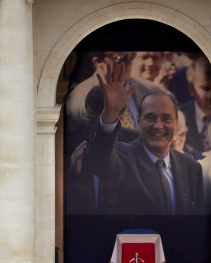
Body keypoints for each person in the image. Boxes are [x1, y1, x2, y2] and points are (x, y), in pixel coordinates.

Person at [83, 61, 203, 215]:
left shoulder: (191, 168)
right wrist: (111, 113)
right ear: (138, 121)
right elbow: (99, 159)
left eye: (166, 118)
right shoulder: (121, 156)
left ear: (176, 123)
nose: (158, 125)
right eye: (150, 118)